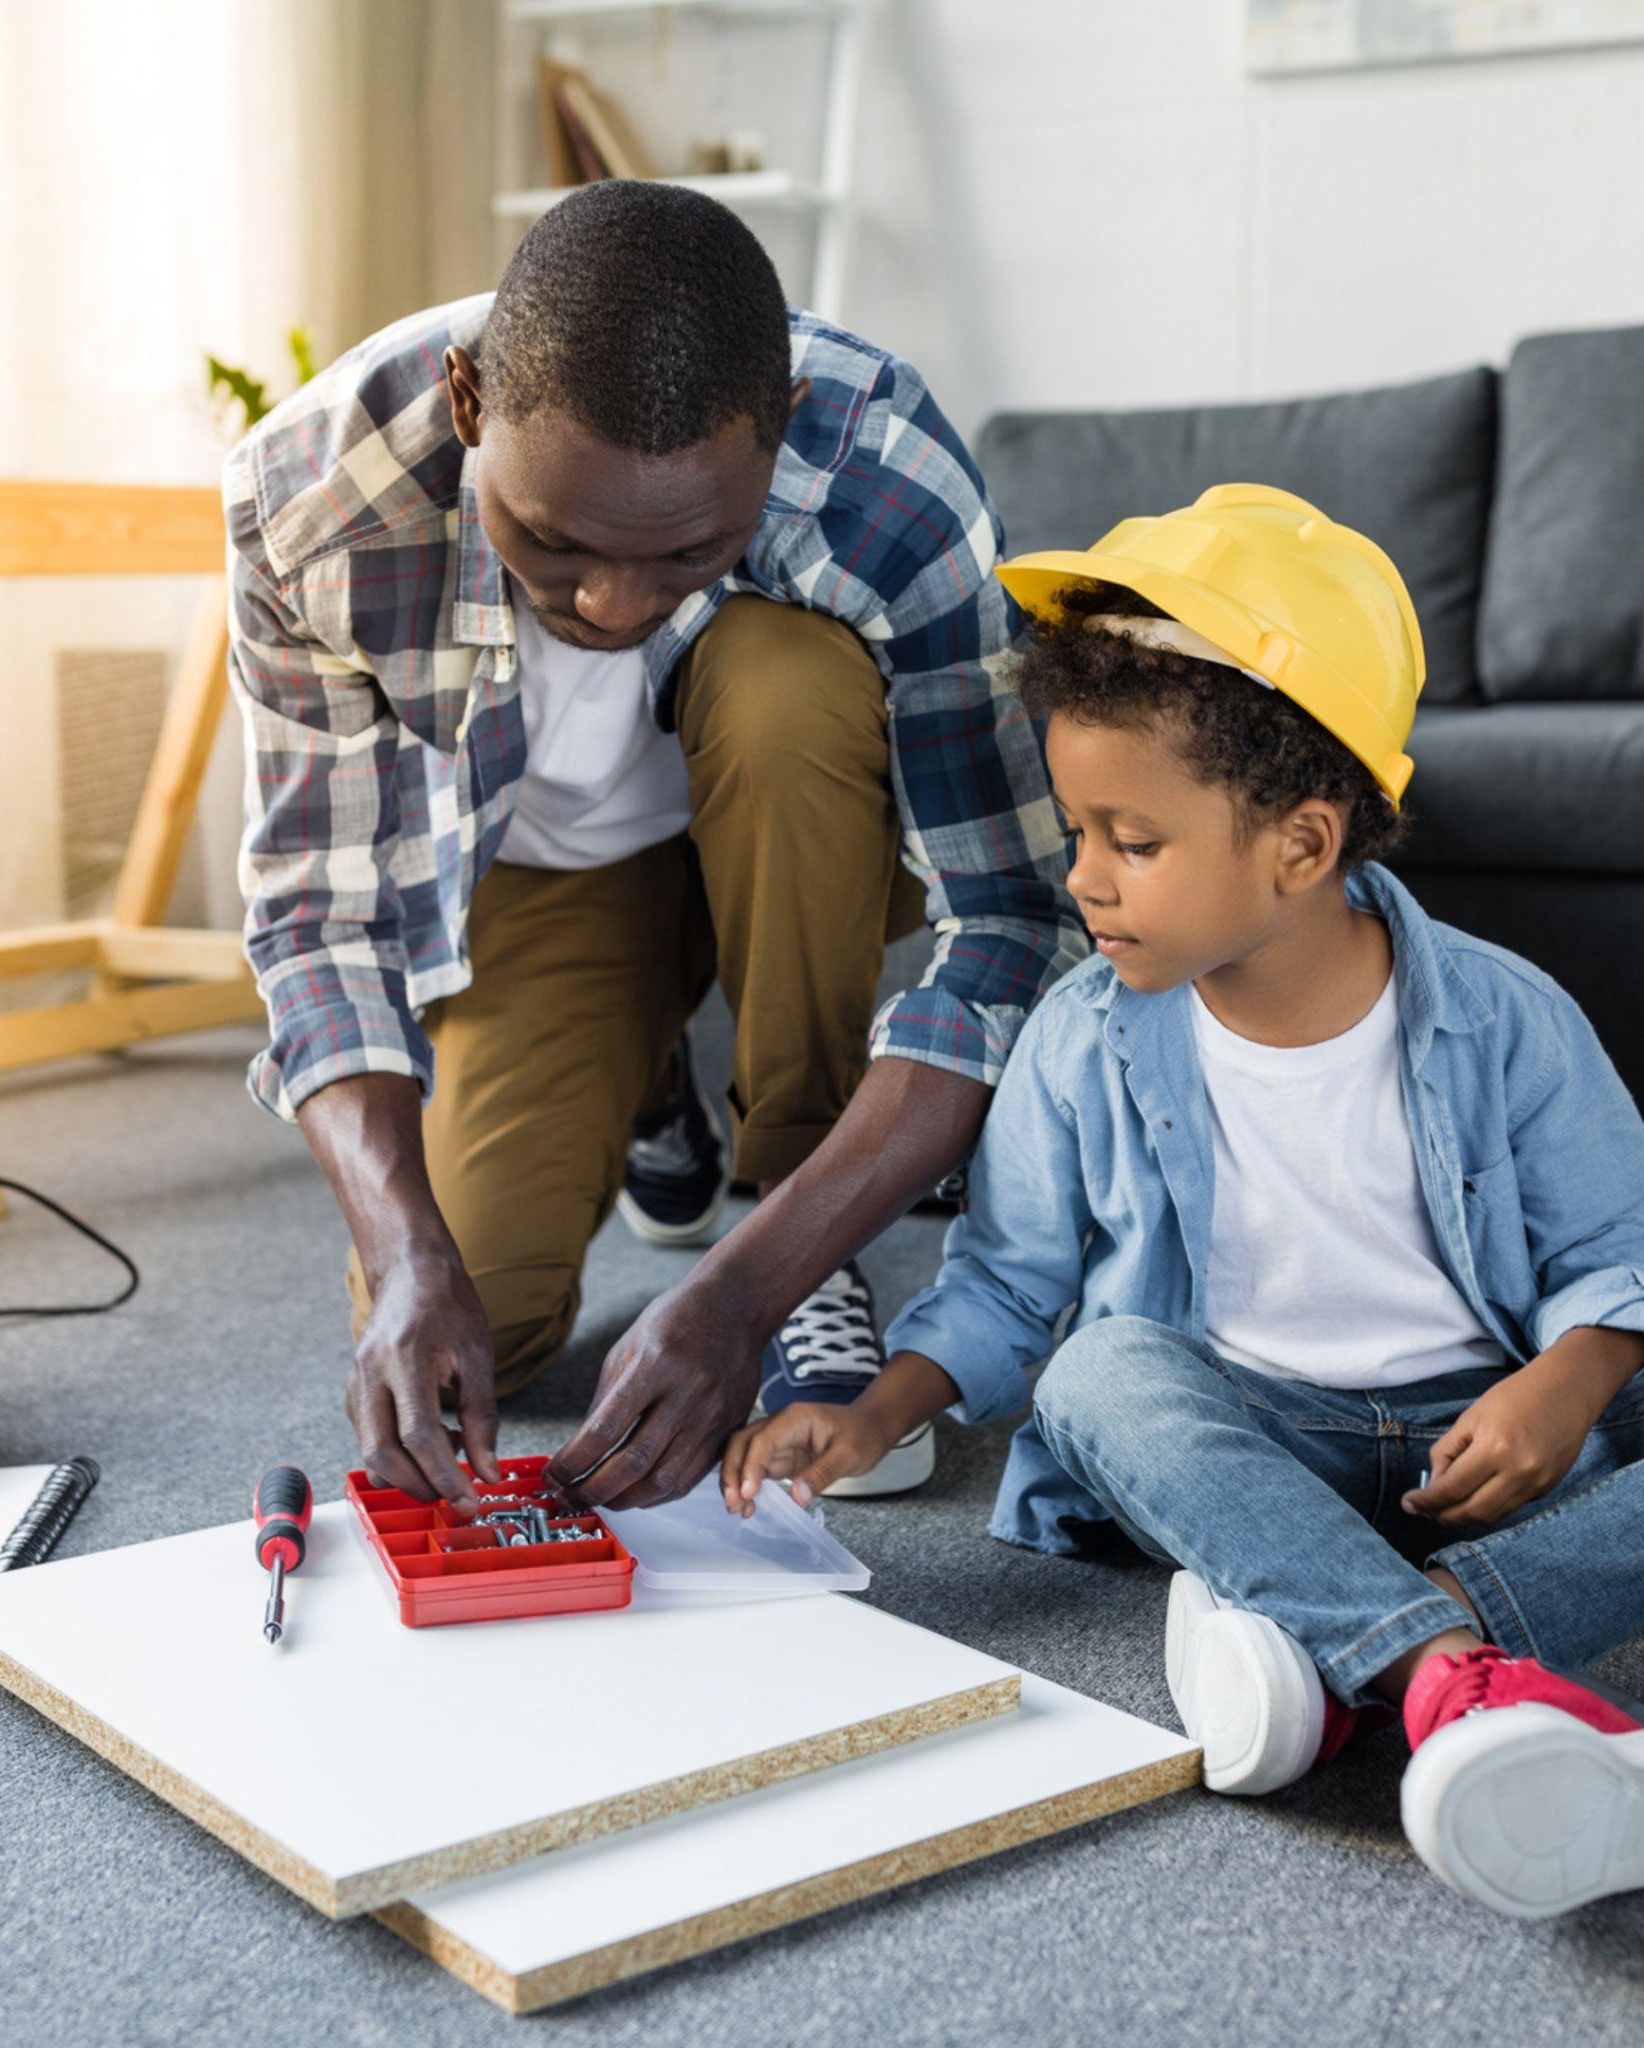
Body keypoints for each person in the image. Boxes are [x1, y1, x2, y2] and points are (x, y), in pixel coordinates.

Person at [722, 485, 1644, 1918]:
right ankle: (1445, 1672)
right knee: (1097, 1373)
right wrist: (879, 1409)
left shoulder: (1507, 1019)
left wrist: (1566, 1389)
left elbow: (1619, 1255)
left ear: (1302, 843)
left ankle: (1329, 1649)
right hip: (1242, 1432)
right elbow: (1016, 1286)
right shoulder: (1082, 1036)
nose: (1080, 880)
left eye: (1130, 841)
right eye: (1075, 831)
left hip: (1492, 1443)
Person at [226, 180, 1082, 1514]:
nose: (611, 602)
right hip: (546, 889)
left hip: (801, 839)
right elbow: (316, 921)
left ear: (781, 433)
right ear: (467, 407)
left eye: (687, 549)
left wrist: (757, 1286)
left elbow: (1014, 912)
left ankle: (790, 1191)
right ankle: (653, 1089)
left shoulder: (882, 469)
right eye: (553, 541)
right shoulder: (314, 501)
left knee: (785, 677)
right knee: (480, 1316)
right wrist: (402, 1256)